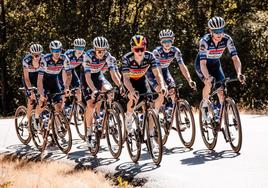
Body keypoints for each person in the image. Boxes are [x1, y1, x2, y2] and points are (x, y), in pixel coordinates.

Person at [195, 16, 245, 121]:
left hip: (216, 64)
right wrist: (208, 77)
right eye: (216, 31)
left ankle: (222, 117)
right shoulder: (205, 41)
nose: (219, 34)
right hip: (202, 65)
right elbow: (203, 64)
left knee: (222, 91)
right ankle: (204, 107)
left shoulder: (227, 39)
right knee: (208, 83)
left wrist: (239, 73)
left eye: (221, 30)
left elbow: (235, 58)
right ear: (210, 31)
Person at [122, 34, 166, 136]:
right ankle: (128, 116)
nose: (140, 52)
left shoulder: (150, 56)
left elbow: (157, 73)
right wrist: (131, 91)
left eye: (142, 49)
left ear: (145, 47)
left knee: (149, 106)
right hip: (129, 81)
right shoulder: (127, 58)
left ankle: (150, 134)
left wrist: (162, 86)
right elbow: (125, 78)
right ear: (132, 48)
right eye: (137, 50)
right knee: (133, 98)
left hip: (141, 79)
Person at [147, 29, 196, 120]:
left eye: (169, 40)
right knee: (161, 92)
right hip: (153, 72)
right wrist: (163, 84)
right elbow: (158, 70)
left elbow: (182, 66)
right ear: (161, 42)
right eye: (164, 41)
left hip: (165, 70)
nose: (167, 43)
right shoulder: (156, 52)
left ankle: (172, 114)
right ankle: (155, 113)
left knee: (173, 90)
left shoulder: (175, 51)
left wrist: (189, 80)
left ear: (173, 40)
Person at [82, 36, 122, 147]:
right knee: (91, 104)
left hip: (98, 76)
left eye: (103, 50)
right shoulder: (88, 56)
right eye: (99, 51)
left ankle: (108, 112)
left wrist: (121, 85)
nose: (101, 53)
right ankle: (89, 132)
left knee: (109, 90)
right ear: (94, 49)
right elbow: (88, 77)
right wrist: (94, 90)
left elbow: (113, 74)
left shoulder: (108, 56)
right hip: (87, 78)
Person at [34, 40, 69, 127]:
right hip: (44, 81)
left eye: (58, 50)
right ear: (51, 51)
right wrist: (41, 93)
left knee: (59, 105)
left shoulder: (64, 58)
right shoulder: (45, 59)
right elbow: (39, 80)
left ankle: (57, 125)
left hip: (54, 80)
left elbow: (69, 74)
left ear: (61, 50)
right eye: (54, 50)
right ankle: (36, 117)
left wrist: (66, 87)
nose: (56, 52)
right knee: (43, 102)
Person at [22, 43, 44, 118]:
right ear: (31, 54)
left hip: (39, 77)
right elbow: (26, 78)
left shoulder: (43, 59)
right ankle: (28, 121)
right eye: (35, 55)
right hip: (29, 78)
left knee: (43, 97)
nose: (37, 57)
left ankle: (38, 116)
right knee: (31, 99)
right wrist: (31, 91)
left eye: (39, 54)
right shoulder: (26, 60)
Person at [63, 38, 87, 102]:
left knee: (78, 90)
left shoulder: (85, 56)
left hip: (71, 70)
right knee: (65, 89)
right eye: (78, 48)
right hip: (63, 70)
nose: (80, 50)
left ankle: (78, 108)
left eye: (82, 48)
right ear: (74, 48)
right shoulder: (68, 54)